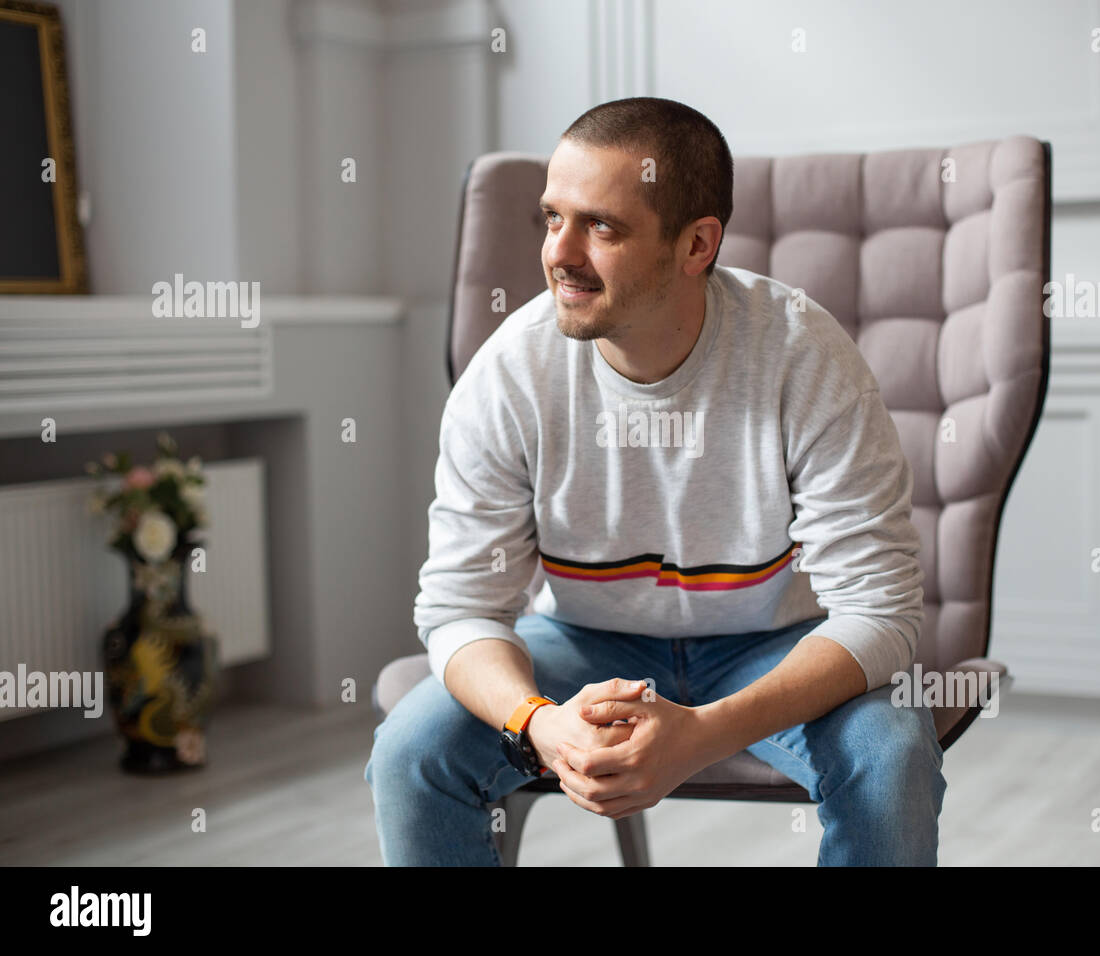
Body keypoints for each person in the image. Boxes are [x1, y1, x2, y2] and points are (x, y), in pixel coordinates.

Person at [365, 96, 945, 866]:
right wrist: (541, 722)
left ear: (697, 244)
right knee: (411, 754)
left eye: (601, 226)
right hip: (580, 643)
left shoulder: (803, 354)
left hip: (770, 643)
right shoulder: (508, 374)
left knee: (893, 756)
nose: (559, 254)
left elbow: (883, 612)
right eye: (552, 218)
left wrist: (703, 733)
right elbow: (459, 608)